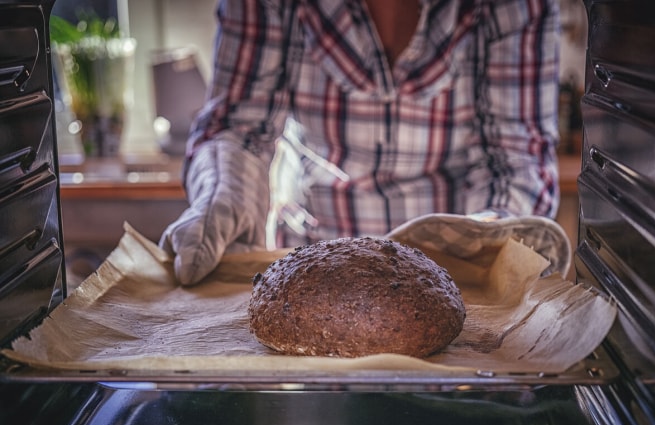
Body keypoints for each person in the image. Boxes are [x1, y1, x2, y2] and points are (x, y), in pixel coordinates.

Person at [160, 0, 562, 285]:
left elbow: (516, 162)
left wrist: (482, 255)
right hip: (306, 265)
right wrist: (221, 197)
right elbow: (239, 130)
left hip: (451, 273)